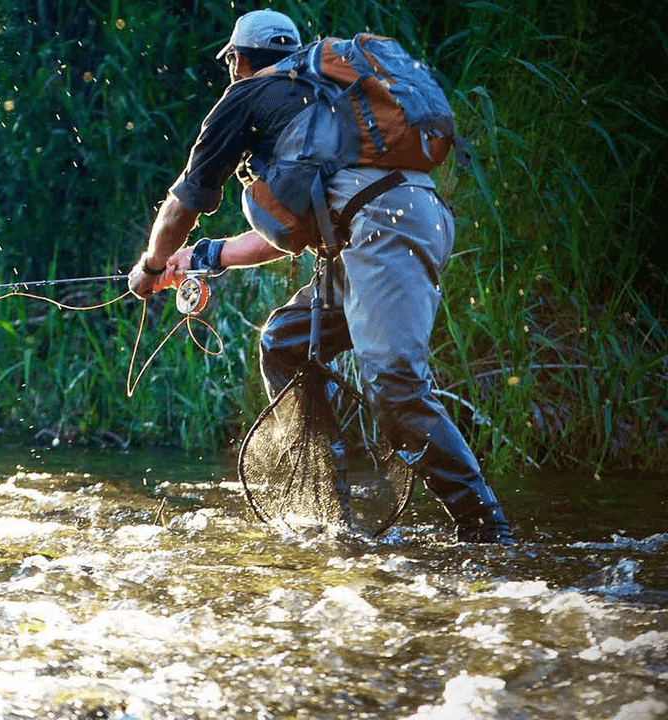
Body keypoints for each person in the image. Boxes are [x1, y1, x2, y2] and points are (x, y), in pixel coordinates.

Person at [127, 9, 514, 544]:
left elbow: (181, 204)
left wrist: (149, 268)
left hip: (386, 230)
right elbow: (299, 224)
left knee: (395, 385)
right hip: (393, 223)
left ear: (237, 60)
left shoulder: (245, 97)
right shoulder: (321, 103)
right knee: (284, 343)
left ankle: (487, 531)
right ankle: (328, 511)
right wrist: (204, 256)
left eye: (231, 62)